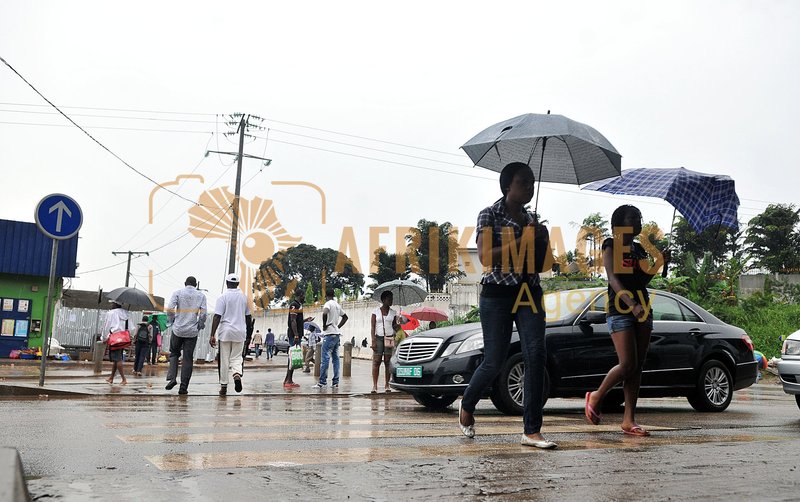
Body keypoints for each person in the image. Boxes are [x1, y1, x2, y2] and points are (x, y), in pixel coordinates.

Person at [459, 162, 556, 449]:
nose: (529, 187)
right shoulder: (489, 214)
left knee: (536, 354)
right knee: (494, 360)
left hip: (528, 291)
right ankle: (467, 403)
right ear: (507, 186)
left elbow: (544, 265)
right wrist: (522, 238)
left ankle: (532, 430)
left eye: (532, 183)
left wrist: (543, 239)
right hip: (497, 293)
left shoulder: (533, 221)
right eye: (523, 182)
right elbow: (486, 256)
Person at [585, 205, 670, 436]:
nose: (638, 221)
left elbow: (642, 281)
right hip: (621, 309)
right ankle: (596, 396)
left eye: (639, 217)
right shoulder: (610, 245)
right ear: (619, 223)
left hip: (643, 308)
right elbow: (613, 279)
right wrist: (631, 305)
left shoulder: (639, 249)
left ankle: (628, 420)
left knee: (637, 367)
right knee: (627, 364)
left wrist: (659, 263)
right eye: (633, 217)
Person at [209, 273, 252, 396]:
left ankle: (224, 386)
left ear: (227, 283)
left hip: (225, 332)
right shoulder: (244, 298)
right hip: (240, 332)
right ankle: (236, 374)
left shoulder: (222, 297)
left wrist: (212, 334)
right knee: (237, 357)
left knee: (224, 360)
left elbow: (217, 316)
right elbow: (248, 318)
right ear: (237, 284)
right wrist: (249, 335)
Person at [166, 276, 207, 395]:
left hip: (178, 329)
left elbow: (170, 309)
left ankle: (172, 379)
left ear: (185, 283)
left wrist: (172, 321)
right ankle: (183, 387)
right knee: (187, 358)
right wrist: (200, 325)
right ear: (196, 285)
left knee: (174, 353)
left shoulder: (177, 293)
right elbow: (203, 314)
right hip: (192, 331)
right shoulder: (201, 296)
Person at [313, 289, 348, 389]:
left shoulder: (328, 304)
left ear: (326, 295)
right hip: (336, 335)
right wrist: (337, 327)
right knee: (336, 359)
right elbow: (345, 317)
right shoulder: (337, 305)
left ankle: (322, 382)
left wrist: (324, 325)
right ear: (333, 295)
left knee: (325, 358)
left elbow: (324, 313)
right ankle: (335, 382)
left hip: (329, 334)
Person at [371, 291, 399, 393]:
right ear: (383, 300)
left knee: (388, 362)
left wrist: (399, 324)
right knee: (376, 361)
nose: (391, 301)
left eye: (392, 299)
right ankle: (375, 385)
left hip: (389, 338)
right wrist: (373, 340)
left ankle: (387, 385)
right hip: (378, 338)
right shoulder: (375, 312)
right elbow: (373, 327)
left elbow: (395, 327)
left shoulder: (393, 313)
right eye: (389, 299)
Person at [284, 289, 313, 388]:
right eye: (304, 295)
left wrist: (305, 320)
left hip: (296, 334)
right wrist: (296, 335)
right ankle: (289, 381)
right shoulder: (294, 305)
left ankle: (287, 380)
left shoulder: (298, 306)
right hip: (294, 335)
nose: (304, 297)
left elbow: (297, 321)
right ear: (300, 295)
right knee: (293, 357)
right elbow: (293, 321)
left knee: (292, 357)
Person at [102, 301, 129, 385]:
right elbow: (131, 327)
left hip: (114, 338)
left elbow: (106, 326)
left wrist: (104, 338)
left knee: (118, 359)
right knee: (116, 359)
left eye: (112, 303)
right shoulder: (126, 313)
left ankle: (124, 379)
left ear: (115, 304)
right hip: (123, 338)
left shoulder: (111, 313)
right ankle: (111, 378)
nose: (111, 305)